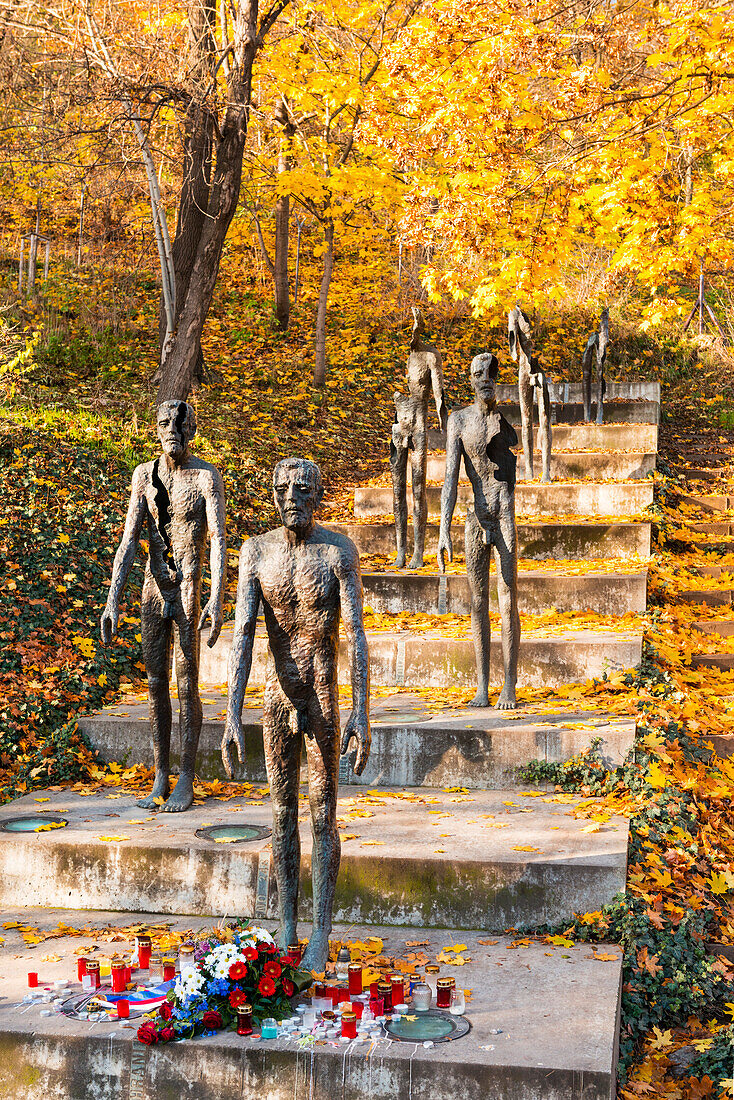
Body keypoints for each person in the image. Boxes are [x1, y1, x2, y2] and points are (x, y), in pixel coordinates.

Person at [222, 457, 370, 971]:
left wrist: (362, 713)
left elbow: (355, 633)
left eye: (303, 489)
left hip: (323, 693)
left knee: (323, 814)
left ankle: (321, 930)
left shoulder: (337, 552)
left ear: (318, 495)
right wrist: (232, 713)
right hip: (277, 692)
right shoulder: (255, 553)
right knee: (281, 814)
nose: (292, 498)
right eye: (284, 489)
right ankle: (287, 923)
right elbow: (242, 633)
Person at [100, 400, 225, 811]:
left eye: (179, 422)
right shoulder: (143, 476)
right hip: (154, 589)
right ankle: (160, 775)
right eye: (163, 423)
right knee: (155, 685)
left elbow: (219, 540)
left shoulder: (206, 476)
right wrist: (112, 600)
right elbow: (129, 540)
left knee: (186, 684)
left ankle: (186, 776)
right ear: (156, 429)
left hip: (188, 586)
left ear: (191, 428)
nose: (171, 428)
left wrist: (216, 596)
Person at [437, 353, 520, 709]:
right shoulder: (459, 421)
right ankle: (483, 685)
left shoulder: (505, 422)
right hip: (476, 515)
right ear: (470, 380)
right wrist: (442, 528)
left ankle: (509, 685)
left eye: (490, 373)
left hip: (504, 512)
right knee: (477, 602)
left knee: (508, 596)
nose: (485, 378)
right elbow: (450, 480)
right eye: (478, 373)